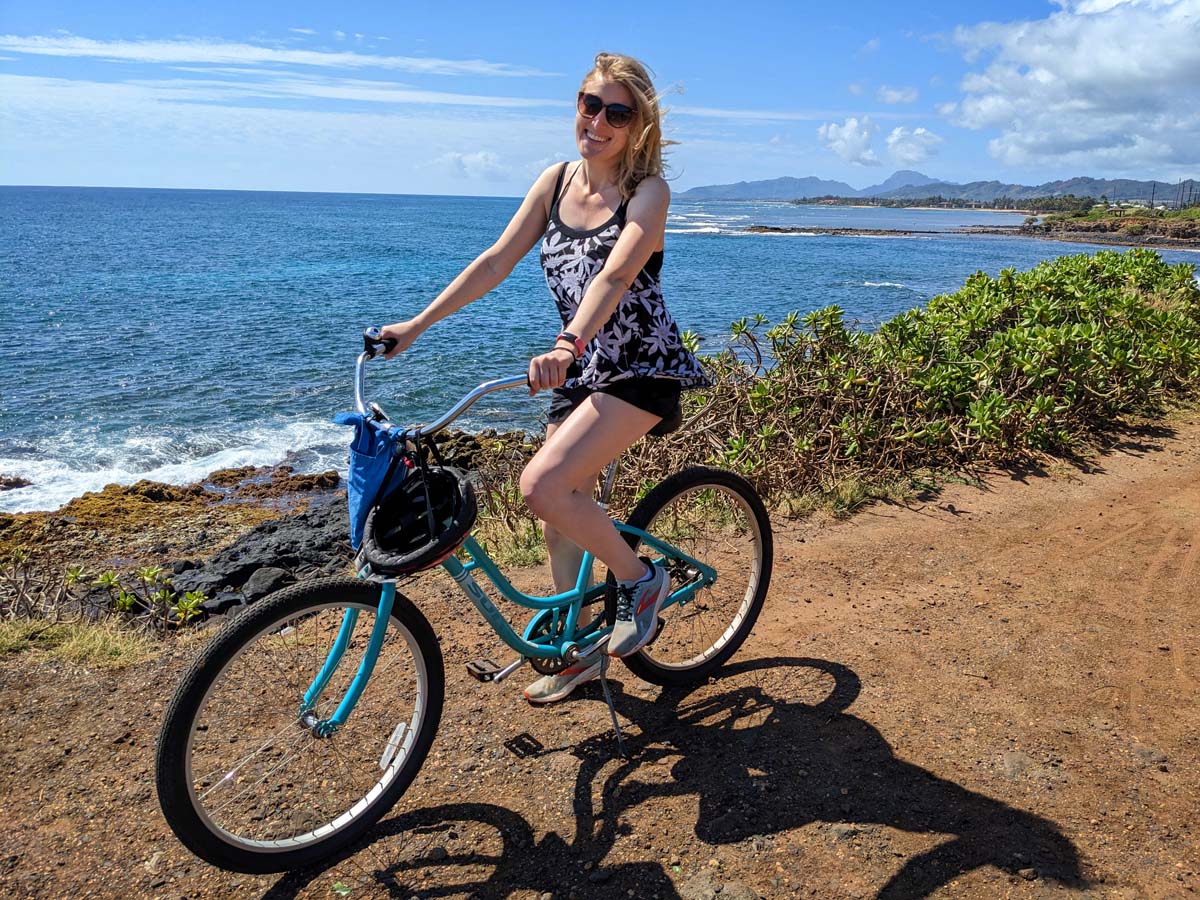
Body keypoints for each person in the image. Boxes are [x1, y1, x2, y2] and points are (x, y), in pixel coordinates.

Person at [379, 52, 709, 704]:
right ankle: (582, 647)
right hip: (584, 370)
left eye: (618, 111)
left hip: (640, 369)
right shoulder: (556, 181)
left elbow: (615, 275)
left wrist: (567, 341)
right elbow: (496, 260)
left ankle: (642, 582)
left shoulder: (649, 193)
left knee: (541, 484)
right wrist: (415, 326)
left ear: (639, 125)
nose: (598, 121)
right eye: (590, 104)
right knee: (560, 516)